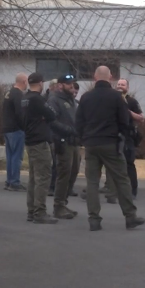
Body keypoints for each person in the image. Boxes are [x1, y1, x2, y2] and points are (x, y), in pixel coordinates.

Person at [75, 66, 145, 231]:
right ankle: (130, 216)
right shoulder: (116, 97)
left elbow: (79, 122)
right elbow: (124, 121)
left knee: (92, 182)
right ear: (111, 77)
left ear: (94, 77)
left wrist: (84, 138)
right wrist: (122, 136)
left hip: (91, 144)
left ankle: (94, 219)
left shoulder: (86, 97)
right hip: (111, 143)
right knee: (121, 180)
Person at [22, 73, 75, 224]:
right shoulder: (38, 99)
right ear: (41, 83)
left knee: (33, 177)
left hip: (30, 139)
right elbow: (51, 115)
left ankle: (32, 210)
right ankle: (40, 212)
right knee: (43, 177)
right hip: (40, 141)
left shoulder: (24, 98)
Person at [46, 74, 81, 219]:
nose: (72, 86)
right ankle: (58, 206)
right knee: (64, 173)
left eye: (72, 83)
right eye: (68, 84)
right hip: (62, 141)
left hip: (74, 141)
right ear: (60, 85)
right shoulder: (54, 100)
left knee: (73, 172)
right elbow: (51, 121)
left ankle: (64, 203)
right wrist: (69, 130)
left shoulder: (71, 100)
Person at [116, 79, 145, 200]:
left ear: (127, 87)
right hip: (115, 136)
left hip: (128, 137)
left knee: (129, 163)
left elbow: (141, 117)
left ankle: (133, 190)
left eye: (122, 85)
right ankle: (114, 190)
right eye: (118, 84)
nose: (120, 86)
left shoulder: (132, 101)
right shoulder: (113, 99)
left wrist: (128, 112)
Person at [2, 73, 28, 192]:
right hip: (16, 129)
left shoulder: (8, 93)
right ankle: (14, 182)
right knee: (17, 157)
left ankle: (9, 181)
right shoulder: (18, 95)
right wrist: (24, 126)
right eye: (26, 82)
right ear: (23, 82)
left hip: (7, 129)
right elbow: (20, 113)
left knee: (10, 156)